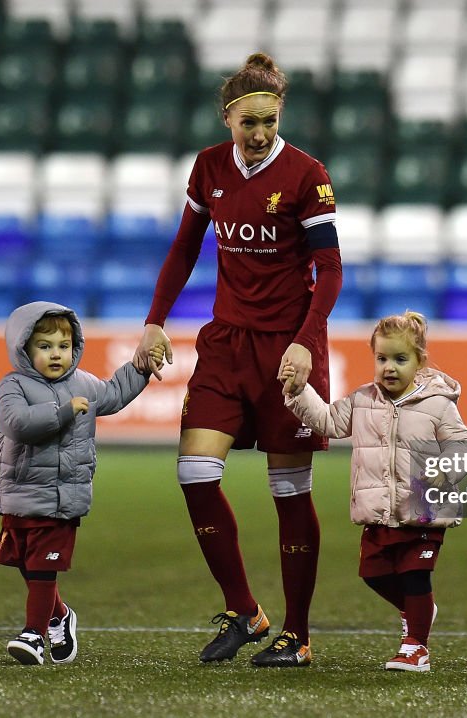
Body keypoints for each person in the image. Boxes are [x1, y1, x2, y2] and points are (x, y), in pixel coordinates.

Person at [131, 53, 342, 667]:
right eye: (248, 121)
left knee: (288, 489)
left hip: (287, 345)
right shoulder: (209, 168)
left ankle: (297, 635)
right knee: (194, 474)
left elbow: (328, 270)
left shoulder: (307, 175)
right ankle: (245, 610)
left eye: (269, 121)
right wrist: (154, 321)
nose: (259, 133)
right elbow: (182, 249)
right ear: (228, 117)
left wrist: (306, 340)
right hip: (225, 342)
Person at [281, 311, 467, 672]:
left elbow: (463, 447)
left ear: (420, 361)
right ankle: (418, 610)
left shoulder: (437, 403)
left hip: (423, 512)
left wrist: (444, 471)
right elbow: (327, 421)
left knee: (416, 576)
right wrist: (298, 391)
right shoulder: (362, 400)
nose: (389, 367)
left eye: (400, 359)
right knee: (374, 574)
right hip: (380, 511)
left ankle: (416, 647)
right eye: (382, 358)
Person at [0, 301, 162, 665]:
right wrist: (64, 411)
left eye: (63, 346)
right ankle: (60, 616)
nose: (56, 354)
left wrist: (142, 367)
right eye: (45, 346)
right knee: (27, 563)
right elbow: (17, 424)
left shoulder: (83, 382)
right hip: (20, 492)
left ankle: (35, 635)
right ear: (23, 349)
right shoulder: (12, 386)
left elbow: (115, 393)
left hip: (63, 496)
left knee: (42, 566)